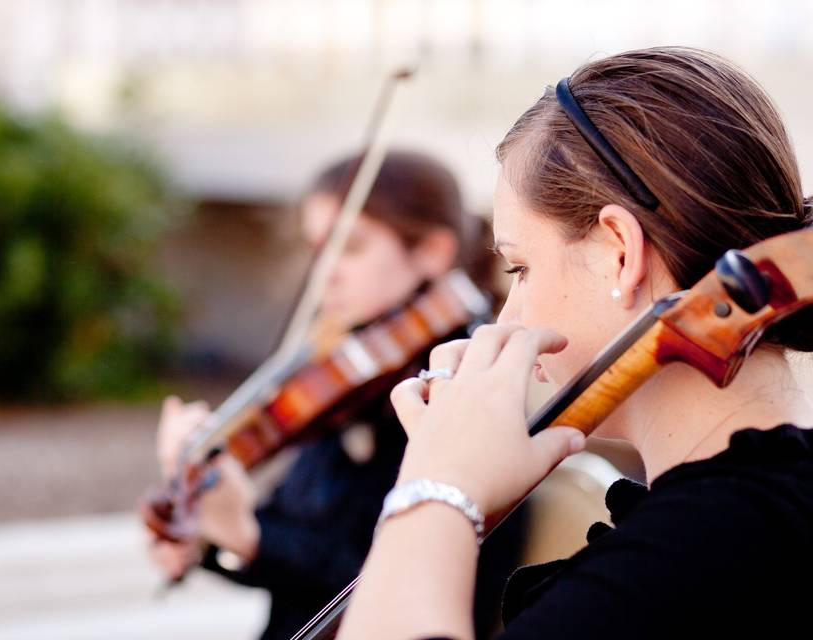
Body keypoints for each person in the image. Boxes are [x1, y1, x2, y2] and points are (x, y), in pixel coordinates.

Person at [337, 46, 813, 640]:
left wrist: (435, 485)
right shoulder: (755, 521)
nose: (504, 320)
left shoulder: (703, 550)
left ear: (620, 252)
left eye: (520, 269)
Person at [149, 151, 529, 640]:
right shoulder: (350, 373)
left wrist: (250, 537)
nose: (324, 272)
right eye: (317, 248)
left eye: (349, 247)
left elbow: (379, 578)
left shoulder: (461, 383)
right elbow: (296, 524)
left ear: (433, 252)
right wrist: (209, 533)